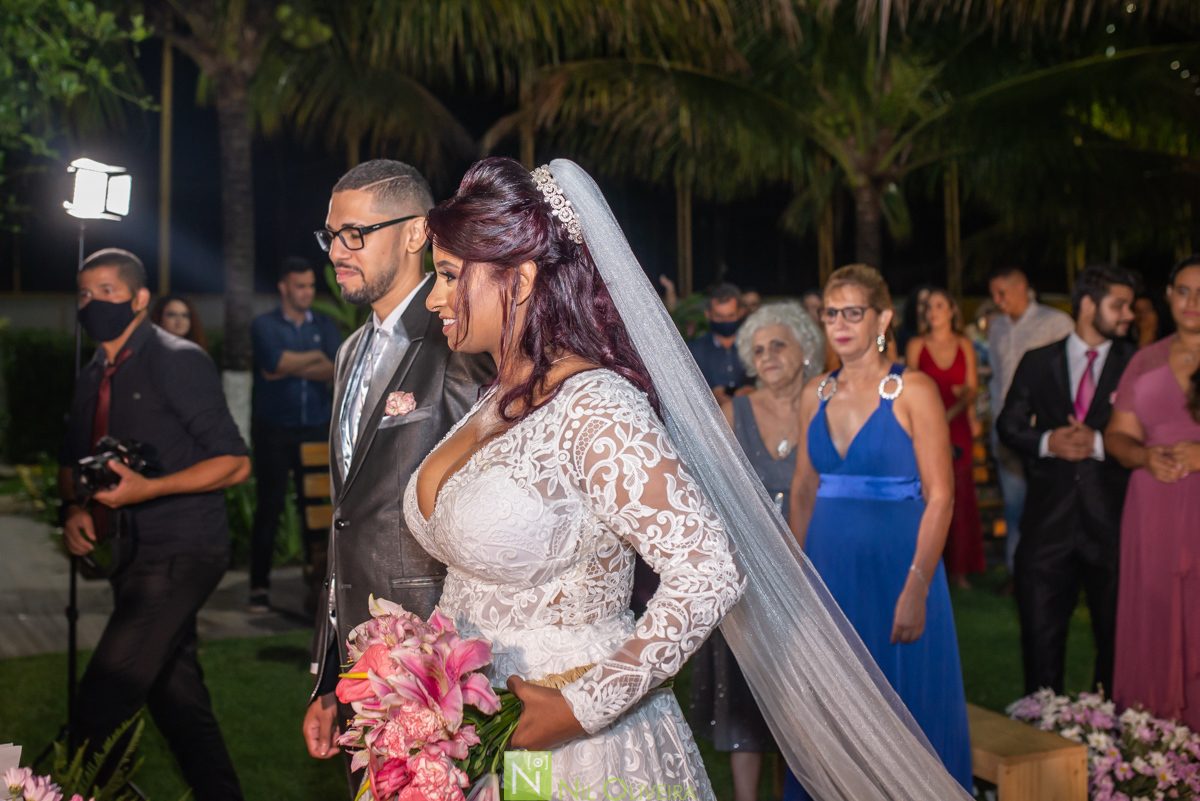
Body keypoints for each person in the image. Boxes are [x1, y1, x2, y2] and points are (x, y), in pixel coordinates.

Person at [412, 160, 972, 801]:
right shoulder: (494, 399)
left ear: (520, 278)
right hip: (466, 730)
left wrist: (583, 706)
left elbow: (708, 572)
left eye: (449, 276)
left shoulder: (595, 405)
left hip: (577, 752)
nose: (433, 297)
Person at [302, 160, 495, 770]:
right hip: (363, 660)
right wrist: (331, 676)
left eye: (356, 233)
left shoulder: (459, 342)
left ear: (416, 233)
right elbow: (347, 520)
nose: (337, 250)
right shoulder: (349, 351)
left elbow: (489, 503)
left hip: (440, 658)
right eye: (331, 235)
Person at [58, 248, 250, 801]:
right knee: (177, 698)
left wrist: (151, 488)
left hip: (184, 549)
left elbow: (235, 462)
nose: (93, 304)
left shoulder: (176, 359)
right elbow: (71, 468)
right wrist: (72, 511)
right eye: (84, 295)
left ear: (140, 300)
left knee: (101, 701)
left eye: (107, 292)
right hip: (128, 557)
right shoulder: (91, 373)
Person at [787, 264, 973, 799]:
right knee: (833, 709)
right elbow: (803, 490)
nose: (840, 323)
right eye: (830, 313)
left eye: (853, 312)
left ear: (882, 317)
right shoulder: (814, 394)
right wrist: (799, 580)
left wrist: (917, 586)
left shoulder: (913, 391)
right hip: (828, 570)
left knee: (904, 705)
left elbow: (942, 496)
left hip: (901, 571)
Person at [689, 301, 824, 801]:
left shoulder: (822, 408)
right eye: (758, 349)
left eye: (778, 346)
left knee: (802, 692)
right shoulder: (734, 412)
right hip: (749, 573)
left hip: (813, 568)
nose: (766, 357)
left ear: (805, 349)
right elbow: (708, 491)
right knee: (744, 691)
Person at [997, 265, 1137, 696]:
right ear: (1088, 305)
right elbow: (1009, 424)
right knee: (1040, 637)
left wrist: (1098, 442)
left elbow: (1150, 431)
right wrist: (1047, 441)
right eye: (1120, 305)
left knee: (1119, 640)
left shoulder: (1137, 364)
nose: (1128, 314)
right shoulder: (1040, 361)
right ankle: (1043, 728)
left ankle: (1112, 729)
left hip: (1114, 525)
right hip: (1047, 523)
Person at [1106, 255, 1200, 728]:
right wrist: (1144, 456)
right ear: (1167, 295)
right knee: (1156, 611)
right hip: (1153, 507)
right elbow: (1117, 437)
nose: (1193, 303)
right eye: (1183, 291)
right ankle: (1155, 745)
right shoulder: (1144, 359)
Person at [248, 256, 343, 612]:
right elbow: (273, 363)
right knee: (269, 507)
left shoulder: (326, 324)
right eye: (300, 286)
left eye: (310, 286)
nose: (307, 292)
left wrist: (295, 363)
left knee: (315, 506)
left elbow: (334, 369)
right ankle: (258, 586)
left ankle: (314, 580)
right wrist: (313, 359)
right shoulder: (264, 324)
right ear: (284, 287)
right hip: (274, 429)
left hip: (315, 427)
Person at [987, 267, 1074, 582]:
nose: (997, 300)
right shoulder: (996, 327)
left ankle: (1053, 572)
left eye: (1002, 292)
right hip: (1006, 431)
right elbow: (997, 377)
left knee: (1048, 505)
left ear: (1021, 287)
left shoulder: (1055, 323)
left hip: (1045, 431)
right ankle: (1017, 573)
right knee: (1014, 506)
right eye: (993, 293)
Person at [905, 289, 985, 589]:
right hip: (925, 426)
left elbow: (972, 388)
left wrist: (963, 409)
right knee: (926, 491)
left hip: (958, 425)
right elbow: (910, 386)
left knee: (960, 494)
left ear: (952, 311)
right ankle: (927, 565)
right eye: (928, 306)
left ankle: (961, 569)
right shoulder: (916, 345)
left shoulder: (964, 343)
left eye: (939, 306)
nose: (932, 311)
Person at [687, 282, 749, 397]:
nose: (725, 321)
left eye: (731, 316)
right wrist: (710, 396)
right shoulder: (694, 351)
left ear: (740, 312)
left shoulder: (754, 345)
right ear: (708, 314)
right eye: (719, 317)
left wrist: (752, 391)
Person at [896, 284, 933, 359]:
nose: (926, 307)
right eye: (922, 303)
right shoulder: (903, 336)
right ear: (914, 306)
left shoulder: (942, 335)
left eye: (929, 303)